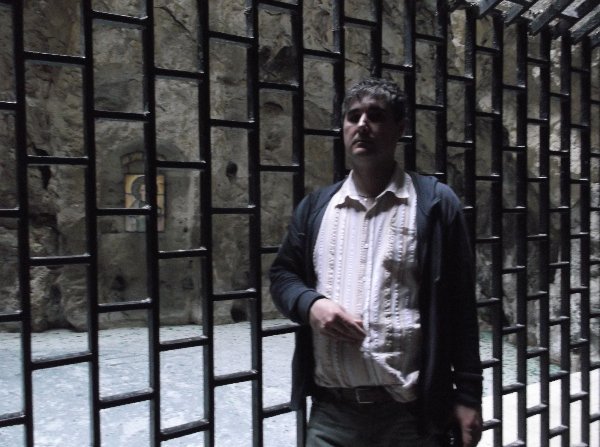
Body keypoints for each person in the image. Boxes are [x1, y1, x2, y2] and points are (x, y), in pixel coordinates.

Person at [270, 78, 483, 446]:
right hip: (332, 415)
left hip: (408, 416)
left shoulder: (434, 204)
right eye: (353, 116)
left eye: (376, 115)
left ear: (400, 128)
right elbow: (282, 274)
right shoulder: (317, 208)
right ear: (343, 129)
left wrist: (468, 396)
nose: (362, 125)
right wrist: (310, 304)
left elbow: (460, 306)